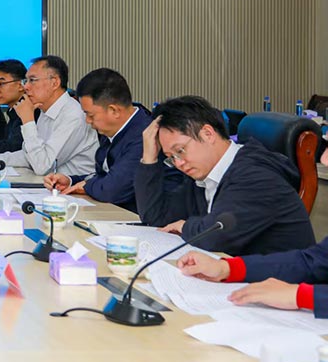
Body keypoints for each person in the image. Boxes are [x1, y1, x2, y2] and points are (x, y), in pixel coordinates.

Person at [135, 95, 314, 256]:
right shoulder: (202, 176)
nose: (179, 163)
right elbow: (155, 217)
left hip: (278, 280)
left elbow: (216, 237)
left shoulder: (254, 175)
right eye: (171, 158)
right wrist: (149, 156)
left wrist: (185, 226)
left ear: (208, 134)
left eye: (180, 150)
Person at [176, 146, 328, 316]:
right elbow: (313, 261)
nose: (324, 159)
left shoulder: (254, 174)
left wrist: (302, 296)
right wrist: (227, 268)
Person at [0, 55, 97, 176]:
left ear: (55, 82)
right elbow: (28, 156)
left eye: (32, 80)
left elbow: (42, 166)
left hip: (75, 189)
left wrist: (28, 120)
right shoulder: (45, 111)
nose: (26, 87)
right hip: (51, 184)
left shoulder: (72, 115)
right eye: (26, 81)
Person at [42, 68, 152, 211]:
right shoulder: (113, 129)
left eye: (90, 115)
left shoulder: (144, 136)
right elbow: (103, 176)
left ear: (114, 111)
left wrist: (87, 186)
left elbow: (112, 189)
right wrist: (71, 180)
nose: (87, 121)